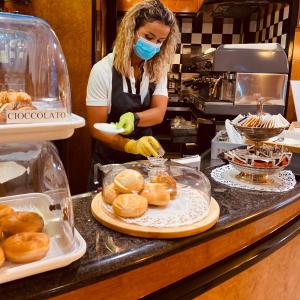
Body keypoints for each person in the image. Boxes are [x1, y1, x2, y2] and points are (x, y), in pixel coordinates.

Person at [86, 0, 179, 189]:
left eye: (160, 41)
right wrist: (130, 145)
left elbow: (159, 113)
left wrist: (135, 118)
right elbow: (96, 128)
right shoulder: (102, 70)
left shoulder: (157, 70)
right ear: (132, 31)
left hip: (144, 163)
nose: (153, 45)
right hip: (109, 163)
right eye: (148, 36)